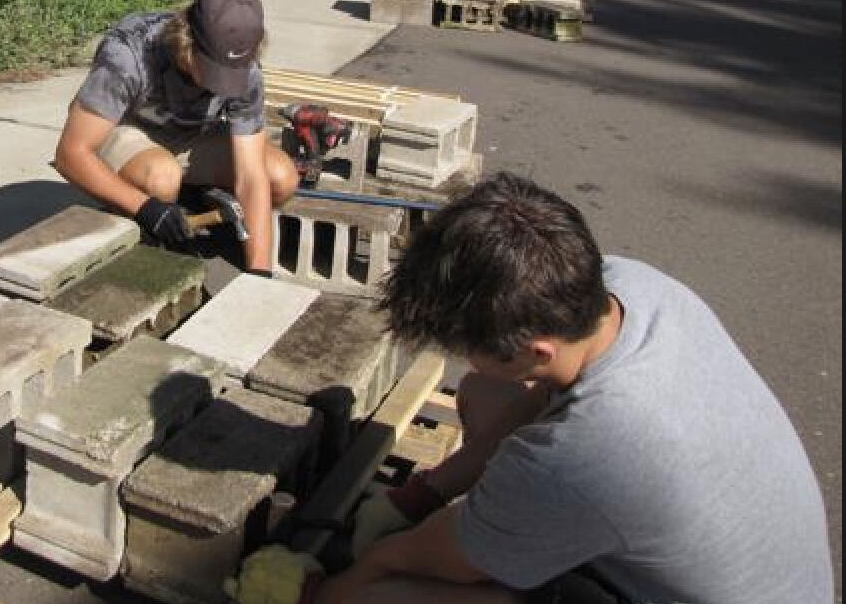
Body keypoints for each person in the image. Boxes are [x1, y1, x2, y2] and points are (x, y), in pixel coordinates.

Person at [226, 173, 833, 604]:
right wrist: (419, 495)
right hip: (738, 560)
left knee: (389, 594)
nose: (462, 357)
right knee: (482, 400)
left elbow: (415, 558)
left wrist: (325, 590)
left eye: (468, 347)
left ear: (533, 351)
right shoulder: (631, 285)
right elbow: (535, 401)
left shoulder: (584, 454)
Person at [54, 0, 299, 274]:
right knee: (161, 177)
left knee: (280, 178)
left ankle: (189, 202)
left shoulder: (246, 70)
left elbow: (251, 174)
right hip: (127, 131)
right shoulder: (130, 54)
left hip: (190, 137)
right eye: (212, 72)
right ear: (187, 43)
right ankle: (142, 226)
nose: (218, 85)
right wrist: (146, 208)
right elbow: (71, 154)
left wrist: (259, 272)